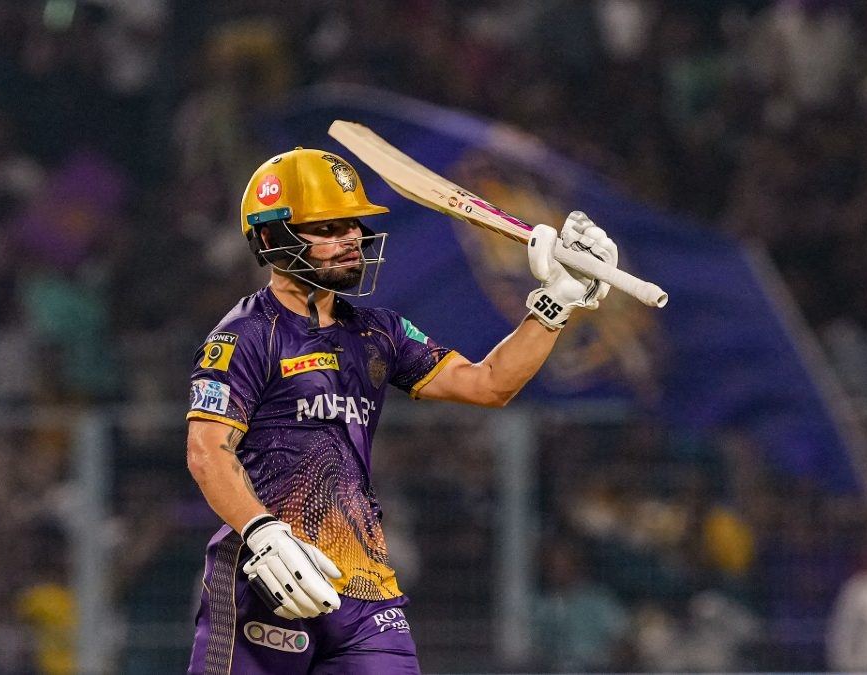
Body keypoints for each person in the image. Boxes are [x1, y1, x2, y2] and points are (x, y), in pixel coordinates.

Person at [184, 147, 619, 674]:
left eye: (354, 224)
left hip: (366, 592)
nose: (352, 238)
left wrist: (558, 300)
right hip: (264, 575)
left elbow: (489, 385)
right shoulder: (244, 336)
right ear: (273, 237)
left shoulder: (380, 332)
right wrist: (263, 532)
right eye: (329, 227)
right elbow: (208, 451)